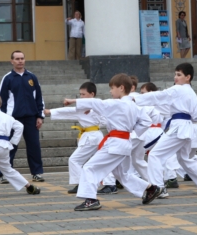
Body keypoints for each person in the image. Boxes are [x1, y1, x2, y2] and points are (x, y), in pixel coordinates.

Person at [65, 74, 162, 211]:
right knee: (122, 174)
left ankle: (91, 199)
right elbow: (146, 121)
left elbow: (96, 102)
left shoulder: (116, 103)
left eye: (112, 88)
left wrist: (73, 100)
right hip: (125, 142)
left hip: (115, 143)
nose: (110, 91)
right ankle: (151, 188)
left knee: (90, 167)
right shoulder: (134, 106)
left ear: (121, 88)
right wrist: (133, 130)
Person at [135, 63, 197, 198]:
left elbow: (159, 96)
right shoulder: (191, 92)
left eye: (179, 75)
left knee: (155, 155)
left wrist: (136, 98)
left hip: (179, 127)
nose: (176, 77)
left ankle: (159, 187)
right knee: (184, 159)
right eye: (175, 74)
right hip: (187, 127)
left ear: (188, 77)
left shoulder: (178, 89)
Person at [44, 82, 115, 194]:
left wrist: (50, 112)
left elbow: (105, 117)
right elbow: (69, 111)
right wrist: (51, 112)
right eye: (80, 95)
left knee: (74, 160)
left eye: (83, 94)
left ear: (92, 94)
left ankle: (85, 184)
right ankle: (110, 184)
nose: (81, 97)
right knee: (100, 160)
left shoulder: (97, 106)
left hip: (92, 137)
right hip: (94, 136)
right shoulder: (86, 108)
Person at [0, 50, 45, 183]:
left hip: (31, 118)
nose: (20, 61)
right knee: (10, 146)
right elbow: (2, 101)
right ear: (12, 61)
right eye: (17, 59)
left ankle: (36, 173)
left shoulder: (32, 77)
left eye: (22, 58)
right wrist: (4, 119)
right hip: (13, 119)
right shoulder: (8, 78)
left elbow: (39, 98)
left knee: (34, 146)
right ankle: (4, 173)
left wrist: (40, 116)